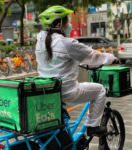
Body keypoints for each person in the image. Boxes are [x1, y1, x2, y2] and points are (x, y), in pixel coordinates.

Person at [35, 5, 118, 136]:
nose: (69, 25)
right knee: (100, 90)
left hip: (47, 90)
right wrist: (111, 58)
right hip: (67, 92)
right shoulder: (66, 43)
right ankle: (93, 127)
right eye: (67, 21)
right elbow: (93, 56)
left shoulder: (40, 40)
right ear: (59, 23)